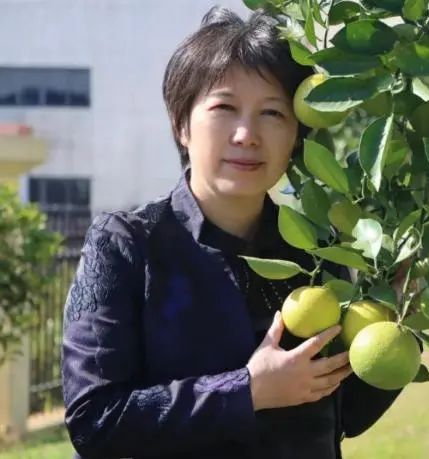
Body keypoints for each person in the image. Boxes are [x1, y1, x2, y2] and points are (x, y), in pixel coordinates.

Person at [61, 6, 403, 459]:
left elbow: (344, 416)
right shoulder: (128, 245)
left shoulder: (319, 254)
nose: (247, 134)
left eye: (272, 113)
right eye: (225, 107)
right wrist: (246, 391)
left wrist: (399, 319)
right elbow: (95, 421)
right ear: (182, 124)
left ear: (296, 136)